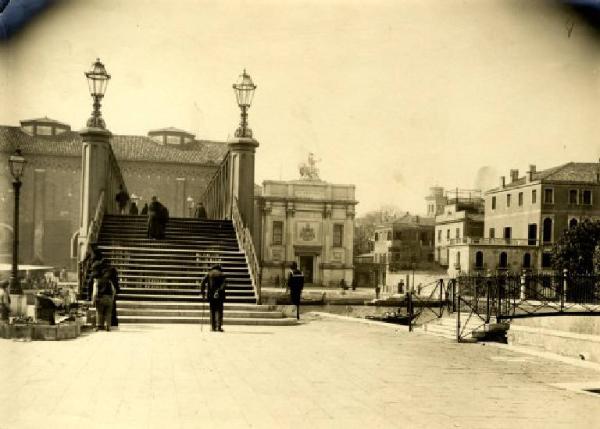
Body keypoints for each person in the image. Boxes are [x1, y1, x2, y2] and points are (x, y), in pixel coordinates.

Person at [200, 264, 227, 332]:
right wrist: (218, 291)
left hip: (211, 295)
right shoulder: (222, 274)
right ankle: (219, 327)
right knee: (220, 311)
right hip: (219, 296)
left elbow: (202, 282)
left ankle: (213, 327)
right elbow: (224, 285)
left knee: (212, 310)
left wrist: (202, 292)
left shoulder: (209, 273)